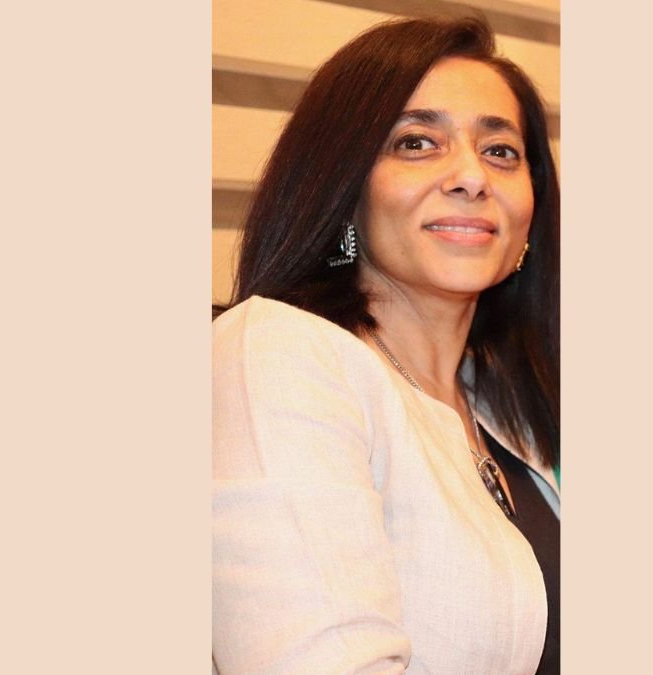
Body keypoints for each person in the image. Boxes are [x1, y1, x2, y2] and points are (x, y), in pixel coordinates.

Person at [212, 15, 559, 674]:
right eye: (417, 142)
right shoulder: (280, 356)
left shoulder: (509, 397)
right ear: (344, 189)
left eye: (501, 151)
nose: (472, 176)